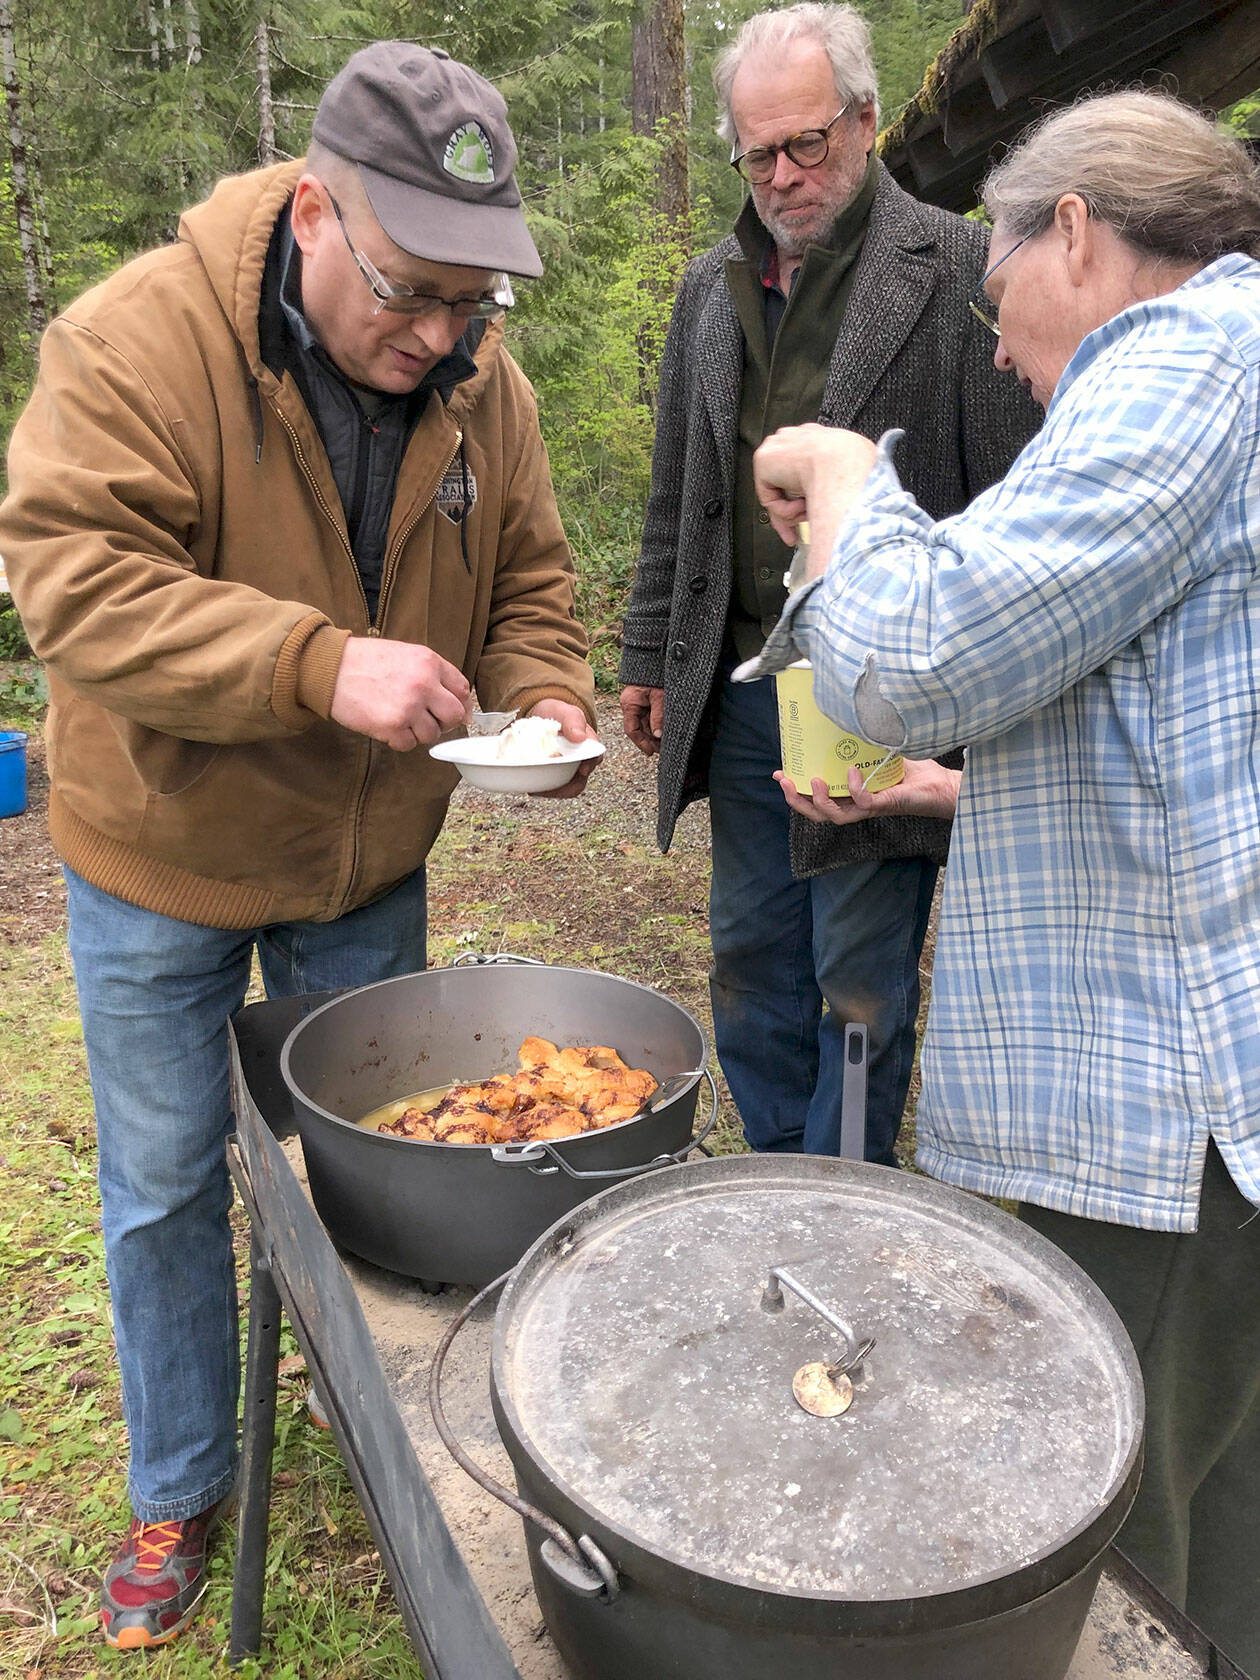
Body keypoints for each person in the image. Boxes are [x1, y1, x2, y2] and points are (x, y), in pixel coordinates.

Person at [0, 41, 597, 1649]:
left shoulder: (482, 381)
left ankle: (355, 1403)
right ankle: (182, 1478)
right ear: (317, 213)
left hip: (364, 868)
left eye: (474, 304)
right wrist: (318, 664)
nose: (438, 336)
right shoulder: (135, 339)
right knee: (162, 1185)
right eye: (410, 292)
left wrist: (545, 700)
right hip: (161, 859)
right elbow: (73, 581)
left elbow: (532, 578)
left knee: (373, 1156)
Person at [751, 90, 1260, 1674]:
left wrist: (846, 479)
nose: (993, 351)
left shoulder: (1189, 359)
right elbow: (1195, 733)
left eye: (998, 298)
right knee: (1210, 1511)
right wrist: (961, 787)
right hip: (1192, 1103)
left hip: (1147, 1126)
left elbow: (915, 649)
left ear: (1079, 233)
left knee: (1104, 1561)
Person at [618, 2, 1038, 1166]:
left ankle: (844, 1192)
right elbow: (678, 492)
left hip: (886, 702)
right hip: (749, 694)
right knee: (751, 959)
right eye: (760, 153)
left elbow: (1009, 503)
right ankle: (770, 1172)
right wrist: (650, 654)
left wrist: (980, 725)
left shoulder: (956, 268)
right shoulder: (712, 290)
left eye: (808, 143)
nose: (785, 175)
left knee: (857, 978)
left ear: (862, 121)